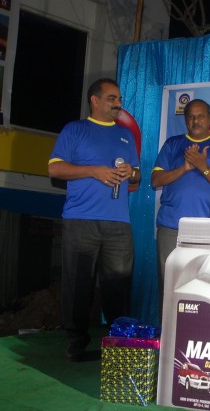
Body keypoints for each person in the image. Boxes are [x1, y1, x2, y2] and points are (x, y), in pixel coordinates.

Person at [48, 78, 141, 361]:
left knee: (118, 286)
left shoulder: (125, 135)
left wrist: (131, 173)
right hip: (81, 220)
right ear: (95, 100)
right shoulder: (75, 129)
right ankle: (76, 341)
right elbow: (55, 169)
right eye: (112, 98)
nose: (118, 103)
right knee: (78, 285)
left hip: (118, 223)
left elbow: (137, 177)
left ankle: (118, 343)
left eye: (119, 99)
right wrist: (93, 171)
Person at [151, 99, 210, 312]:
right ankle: (168, 331)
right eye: (191, 117)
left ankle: (197, 329)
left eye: (200, 116)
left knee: (204, 285)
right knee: (169, 283)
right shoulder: (173, 144)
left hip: (206, 227)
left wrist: (202, 166)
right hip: (171, 225)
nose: (195, 121)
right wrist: (185, 167)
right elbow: (155, 180)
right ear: (186, 120)